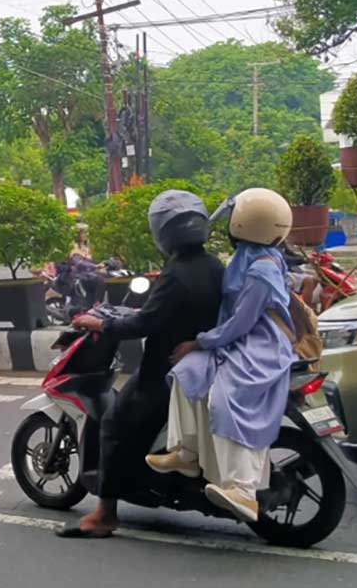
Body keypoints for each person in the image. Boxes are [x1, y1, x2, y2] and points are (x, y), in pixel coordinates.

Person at [55, 190, 225, 538]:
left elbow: (146, 324)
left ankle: (104, 515)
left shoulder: (176, 273)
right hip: (206, 362)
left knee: (115, 422)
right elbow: (164, 312)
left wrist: (100, 323)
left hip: (162, 374)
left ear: (162, 232)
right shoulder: (213, 265)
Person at [147, 188, 296, 523]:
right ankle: (186, 452)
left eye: (233, 220)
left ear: (245, 225)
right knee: (188, 372)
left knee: (226, 397)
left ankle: (242, 490)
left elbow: (241, 323)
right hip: (238, 339)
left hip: (261, 346)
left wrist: (201, 341)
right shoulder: (248, 256)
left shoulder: (261, 271)